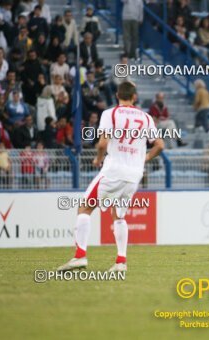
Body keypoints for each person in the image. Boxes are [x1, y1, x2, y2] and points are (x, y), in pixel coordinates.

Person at [57, 81, 165, 273]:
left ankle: (80, 256)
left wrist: (98, 159)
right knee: (119, 215)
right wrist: (144, 158)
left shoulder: (110, 114)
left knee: (85, 207)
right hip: (134, 175)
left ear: (117, 95)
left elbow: (102, 143)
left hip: (114, 170)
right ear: (134, 97)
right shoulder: (146, 117)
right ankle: (121, 262)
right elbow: (160, 145)